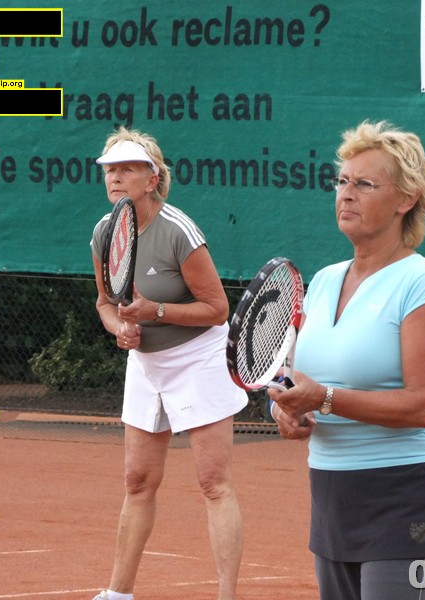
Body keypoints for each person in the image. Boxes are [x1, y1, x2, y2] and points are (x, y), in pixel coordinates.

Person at [268, 120, 425, 600]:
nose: (346, 194)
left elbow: (423, 406)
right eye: (342, 181)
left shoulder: (423, 284)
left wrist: (326, 399)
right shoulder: (323, 281)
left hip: (405, 490)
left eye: (364, 184)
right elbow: (294, 379)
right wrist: (284, 409)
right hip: (331, 491)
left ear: (407, 199)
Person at [89, 127, 247, 600]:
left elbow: (217, 308)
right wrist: (120, 329)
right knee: (137, 480)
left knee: (213, 482)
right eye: (110, 169)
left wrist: (155, 312)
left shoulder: (179, 231)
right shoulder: (104, 232)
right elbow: (105, 303)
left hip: (199, 358)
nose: (115, 177)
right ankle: (118, 593)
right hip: (147, 365)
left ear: (152, 178)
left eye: (127, 169)